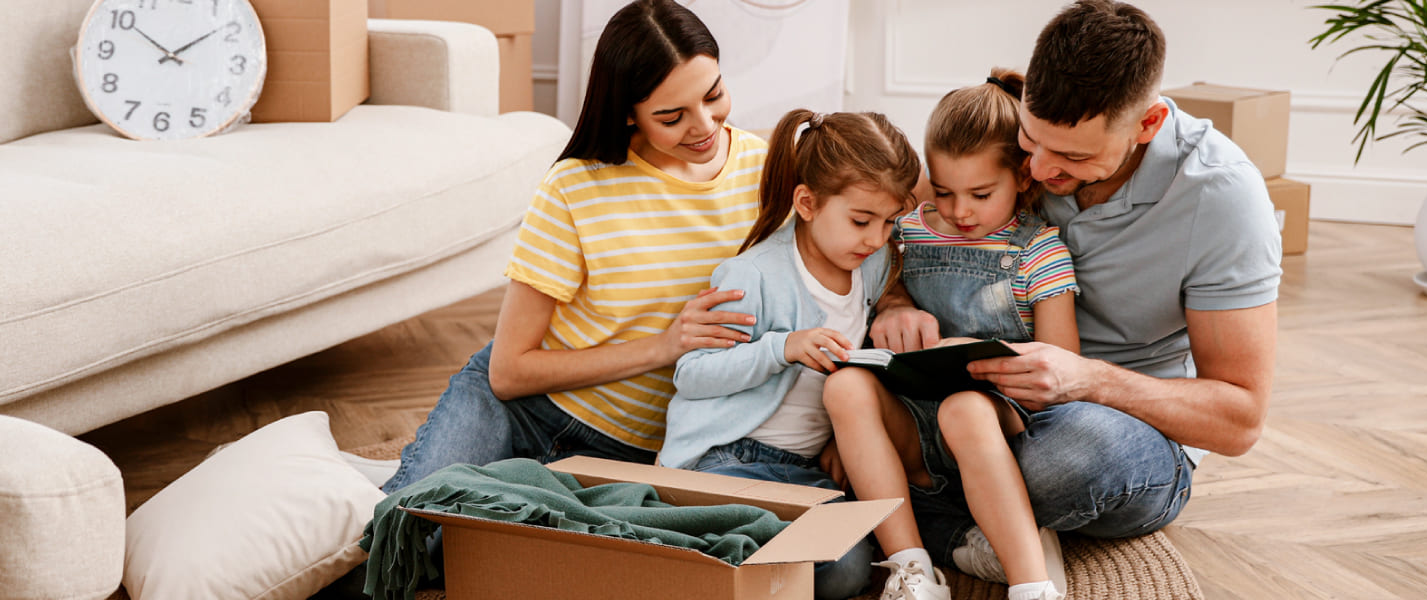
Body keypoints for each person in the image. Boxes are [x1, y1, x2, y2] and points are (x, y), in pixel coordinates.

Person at [867, 0, 1281, 586]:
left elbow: (1239, 420)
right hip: (980, 408)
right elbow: (898, 222)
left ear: (1148, 124)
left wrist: (1089, 380)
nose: (1037, 169)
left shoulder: (1219, 197)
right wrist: (893, 302)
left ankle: (935, 526)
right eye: (1031, 142)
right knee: (845, 407)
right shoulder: (1014, 138)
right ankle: (966, 522)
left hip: (1119, 426)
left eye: (1073, 157)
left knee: (1065, 464)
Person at [380, 0, 769, 494]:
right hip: (523, 409)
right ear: (629, 115)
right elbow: (508, 371)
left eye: (713, 95)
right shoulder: (574, 187)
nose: (706, 126)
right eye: (672, 117)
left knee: (494, 553)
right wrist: (665, 346)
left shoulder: (762, 170)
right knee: (407, 533)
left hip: (644, 451)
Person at [822, 70, 1076, 600]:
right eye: (943, 192)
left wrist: (972, 357)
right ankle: (911, 569)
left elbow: (1063, 360)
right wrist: (894, 303)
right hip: (912, 409)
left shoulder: (1039, 248)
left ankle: (1033, 587)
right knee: (844, 389)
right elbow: (872, 299)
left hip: (1000, 412)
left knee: (964, 406)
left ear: (1022, 179)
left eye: (981, 194)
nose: (960, 212)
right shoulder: (907, 231)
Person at [660, 108, 919, 600]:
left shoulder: (872, 261)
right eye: (862, 220)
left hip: (805, 473)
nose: (877, 237)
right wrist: (781, 347)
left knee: (847, 568)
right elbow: (692, 376)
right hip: (727, 458)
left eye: (889, 222)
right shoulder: (753, 274)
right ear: (807, 202)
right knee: (771, 553)